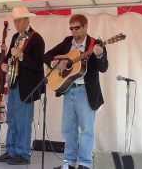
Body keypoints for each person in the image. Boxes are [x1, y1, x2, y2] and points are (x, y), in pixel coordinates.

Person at [44, 14, 108, 169]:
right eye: (71, 28)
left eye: (77, 28)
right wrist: (57, 63)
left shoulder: (95, 44)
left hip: (85, 91)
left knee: (86, 129)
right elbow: (46, 56)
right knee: (68, 129)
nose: (73, 31)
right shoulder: (67, 42)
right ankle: (69, 163)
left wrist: (99, 55)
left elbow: (104, 68)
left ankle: (85, 164)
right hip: (68, 90)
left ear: (86, 27)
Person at [0, 6, 45, 165]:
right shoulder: (16, 36)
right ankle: (11, 151)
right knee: (12, 119)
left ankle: (23, 154)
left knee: (23, 121)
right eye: (15, 21)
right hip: (14, 83)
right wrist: (4, 64)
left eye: (19, 21)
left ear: (27, 20)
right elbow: (10, 57)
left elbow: (38, 65)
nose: (16, 24)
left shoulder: (37, 38)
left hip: (27, 87)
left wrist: (22, 56)